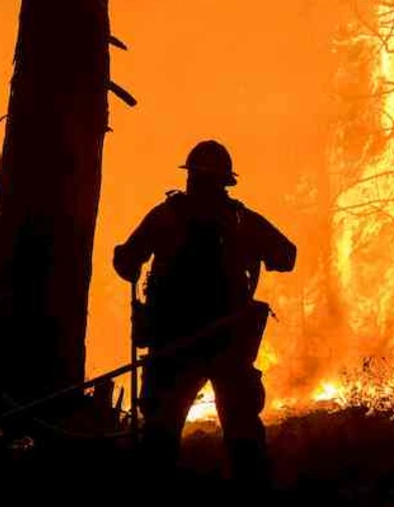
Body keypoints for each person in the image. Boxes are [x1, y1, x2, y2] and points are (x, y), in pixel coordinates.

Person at [113, 140, 296, 491]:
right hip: (226, 346)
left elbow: (126, 261)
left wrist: (128, 260)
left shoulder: (166, 216)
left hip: (174, 347)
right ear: (226, 182)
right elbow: (286, 256)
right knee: (242, 436)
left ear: (190, 178)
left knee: (160, 438)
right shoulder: (240, 219)